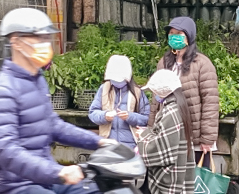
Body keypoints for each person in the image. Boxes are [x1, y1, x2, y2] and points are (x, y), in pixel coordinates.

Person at [0, 8, 111, 194]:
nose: (45, 44)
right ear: (16, 42)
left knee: (95, 188)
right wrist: (59, 171)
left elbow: (53, 125)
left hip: (43, 177)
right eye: (38, 38)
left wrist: (99, 142)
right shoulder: (3, 91)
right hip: (14, 185)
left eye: (47, 38)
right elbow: (6, 150)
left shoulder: (36, 79)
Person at [148, 17, 218, 163]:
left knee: (193, 180)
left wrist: (208, 138)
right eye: (171, 33)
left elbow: (210, 103)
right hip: (167, 132)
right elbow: (155, 100)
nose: (174, 36)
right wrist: (151, 129)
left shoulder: (202, 64)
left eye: (179, 33)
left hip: (193, 134)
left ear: (189, 36)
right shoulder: (164, 63)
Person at [138, 69, 195, 194]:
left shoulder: (171, 113)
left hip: (171, 180)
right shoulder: (179, 106)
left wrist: (143, 136)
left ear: (161, 92)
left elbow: (160, 150)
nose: (153, 94)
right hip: (180, 174)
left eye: (154, 91)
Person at [88, 54, 150, 150]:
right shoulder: (104, 89)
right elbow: (92, 113)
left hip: (131, 147)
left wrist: (130, 116)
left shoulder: (137, 92)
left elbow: (147, 119)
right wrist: (105, 116)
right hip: (108, 146)